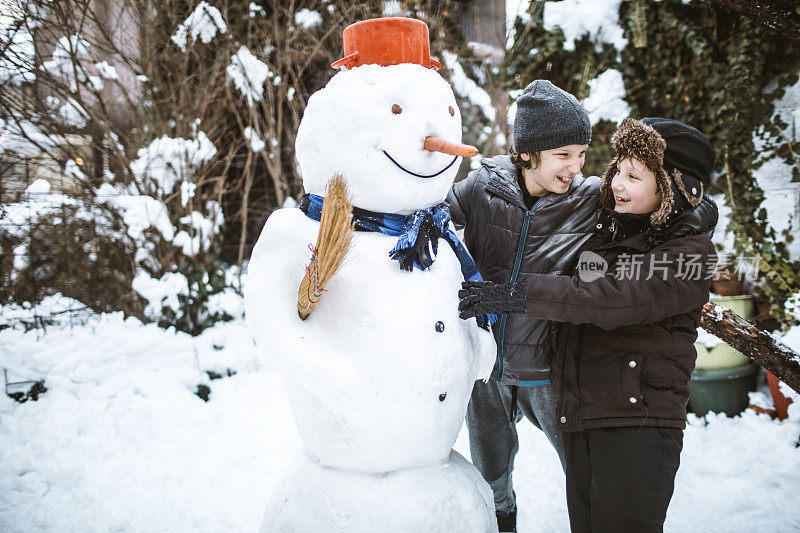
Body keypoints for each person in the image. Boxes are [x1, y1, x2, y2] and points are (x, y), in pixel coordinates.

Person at [459, 117, 718, 533]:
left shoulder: (690, 256)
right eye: (617, 168)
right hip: (585, 416)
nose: (616, 182)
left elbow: (606, 298)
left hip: (638, 423)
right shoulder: (610, 234)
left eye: (633, 175)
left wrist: (521, 294)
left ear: (671, 187)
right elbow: (582, 277)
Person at [446, 79, 600, 532]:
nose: (576, 167)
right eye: (564, 155)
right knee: (491, 477)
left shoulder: (589, 201)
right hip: (487, 370)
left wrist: (584, 272)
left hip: (550, 371)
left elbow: (605, 268)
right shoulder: (481, 189)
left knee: (585, 471)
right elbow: (430, 217)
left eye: (582, 154)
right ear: (528, 153)